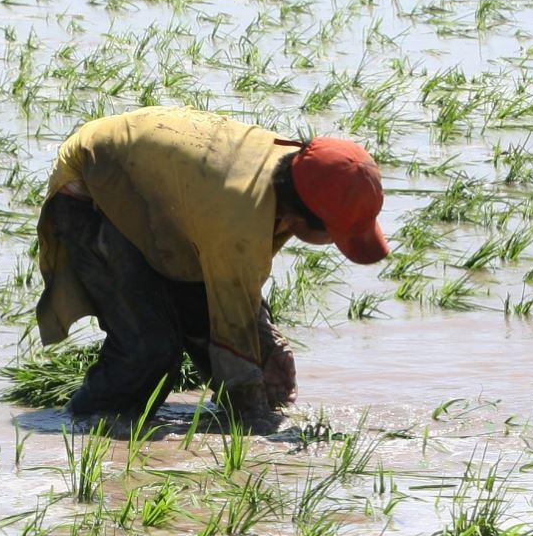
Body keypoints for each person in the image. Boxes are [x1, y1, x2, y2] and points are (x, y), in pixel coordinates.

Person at [34, 106, 389, 430]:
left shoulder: (298, 173)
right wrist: (255, 416)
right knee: (149, 350)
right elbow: (233, 323)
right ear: (301, 218)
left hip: (161, 187)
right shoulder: (239, 217)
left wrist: (267, 345)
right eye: (334, 235)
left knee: (231, 342)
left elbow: (233, 296)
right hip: (91, 183)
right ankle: (78, 427)